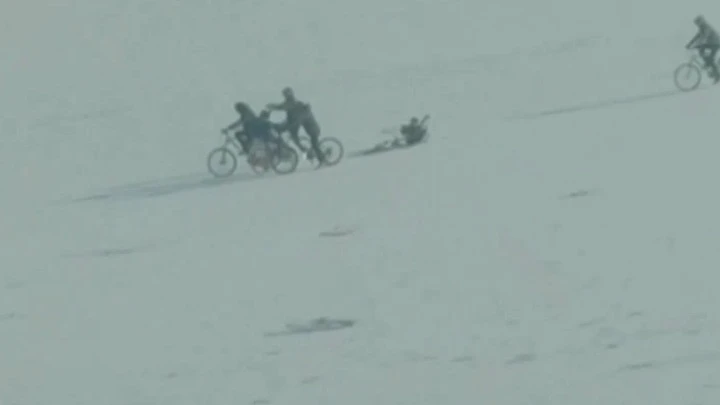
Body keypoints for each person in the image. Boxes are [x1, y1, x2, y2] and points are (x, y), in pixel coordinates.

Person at [266, 87, 327, 165]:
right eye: (285, 94)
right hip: (304, 127)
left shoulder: (294, 104)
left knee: (314, 145)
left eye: (286, 94)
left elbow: (283, 108)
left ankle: (322, 159)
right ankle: (306, 151)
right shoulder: (292, 103)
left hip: (313, 129)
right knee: (295, 138)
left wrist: (272, 107)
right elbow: (283, 108)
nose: (285, 96)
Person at [686, 15, 720, 83]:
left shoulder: (707, 27)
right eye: (696, 23)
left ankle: (717, 75)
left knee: (710, 58)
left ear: (701, 21)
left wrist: (698, 44)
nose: (697, 24)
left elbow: (705, 37)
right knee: (701, 51)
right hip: (710, 43)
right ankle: (708, 63)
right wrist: (689, 44)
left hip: (716, 43)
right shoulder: (701, 28)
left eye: (697, 23)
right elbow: (697, 36)